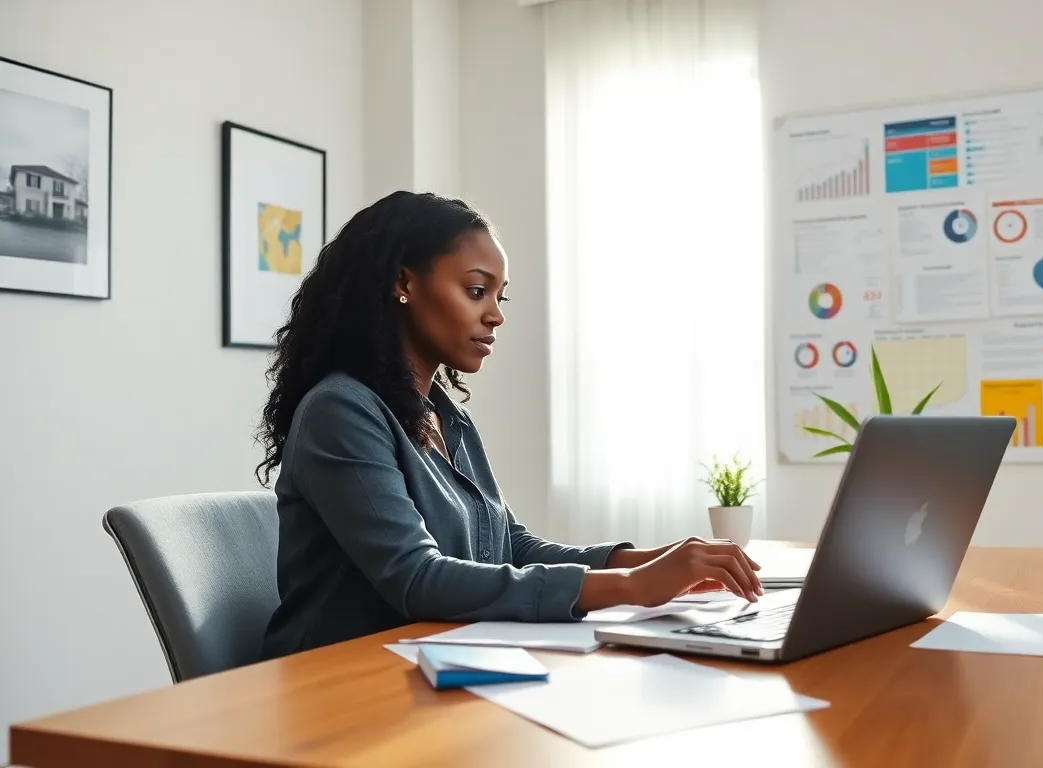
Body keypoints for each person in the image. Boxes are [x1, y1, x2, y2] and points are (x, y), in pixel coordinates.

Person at [253, 191, 762, 660]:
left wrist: (645, 560)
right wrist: (631, 586)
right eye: (477, 290)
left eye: (500, 297)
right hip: (340, 686)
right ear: (404, 282)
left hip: (436, 661)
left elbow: (511, 545)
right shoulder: (341, 411)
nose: (495, 315)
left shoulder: (444, 416)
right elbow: (415, 578)